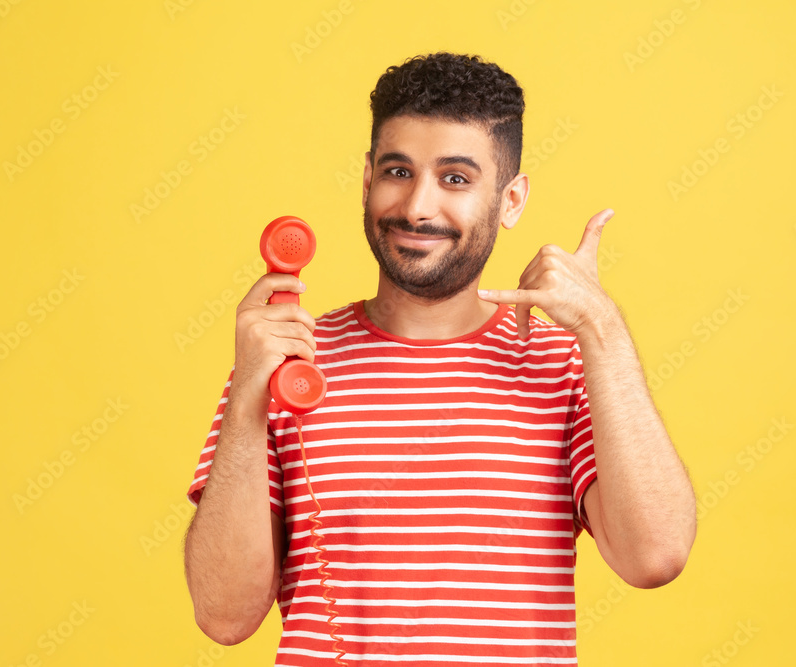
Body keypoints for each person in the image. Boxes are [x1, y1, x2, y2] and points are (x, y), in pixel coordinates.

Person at [183, 51, 696, 665]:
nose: (418, 206)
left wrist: (602, 329)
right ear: (368, 178)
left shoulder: (564, 365)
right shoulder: (286, 364)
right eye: (399, 171)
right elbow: (223, 616)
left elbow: (656, 557)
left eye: (455, 178)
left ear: (510, 201)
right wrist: (248, 399)